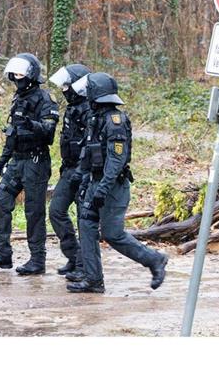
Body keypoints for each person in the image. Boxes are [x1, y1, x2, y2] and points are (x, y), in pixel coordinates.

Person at [67, 72, 168, 293]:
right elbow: (88, 155)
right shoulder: (94, 119)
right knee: (85, 228)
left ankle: (154, 259)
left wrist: (102, 188)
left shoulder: (115, 121)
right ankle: (94, 280)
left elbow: (116, 159)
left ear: (97, 94)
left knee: (112, 234)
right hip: (94, 183)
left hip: (112, 187)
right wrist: (83, 181)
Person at [0, 53, 59, 275]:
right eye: (14, 74)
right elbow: (12, 134)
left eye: (20, 74)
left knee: (34, 212)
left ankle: (37, 259)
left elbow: (49, 132)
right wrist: (3, 158)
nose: (16, 77)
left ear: (31, 74)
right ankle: (2, 254)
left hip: (36, 161)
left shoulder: (45, 99)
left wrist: (30, 124)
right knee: (1, 204)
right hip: (17, 160)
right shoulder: (18, 99)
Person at [47, 63, 91, 278]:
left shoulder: (90, 108)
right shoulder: (72, 108)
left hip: (85, 172)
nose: (64, 90)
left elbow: (90, 145)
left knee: (85, 218)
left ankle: (84, 265)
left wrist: (83, 170)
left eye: (67, 86)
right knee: (56, 211)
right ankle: (73, 257)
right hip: (69, 169)